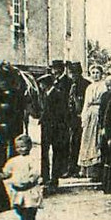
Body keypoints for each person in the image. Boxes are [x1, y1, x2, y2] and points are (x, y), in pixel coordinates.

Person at [0, 133, 43, 220]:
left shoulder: (32, 159)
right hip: (18, 190)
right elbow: (7, 172)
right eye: (18, 147)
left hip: (29, 189)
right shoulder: (14, 160)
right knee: (20, 210)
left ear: (29, 146)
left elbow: (35, 172)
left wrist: (30, 180)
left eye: (23, 146)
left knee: (30, 211)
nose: (20, 149)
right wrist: (1, 175)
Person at [39, 59, 70, 190]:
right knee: (44, 152)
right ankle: (45, 176)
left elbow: (61, 112)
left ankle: (54, 178)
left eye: (41, 84)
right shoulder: (46, 94)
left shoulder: (57, 94)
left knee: (56, 152)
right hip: (46, 127)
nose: (40, 87)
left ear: (46, 84)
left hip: (56, 128)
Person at [78, 64, 107, 181]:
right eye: (93, 73)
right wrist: (84, 117)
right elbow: (86, 103)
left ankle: (99, 171)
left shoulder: (104, 86)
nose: (95, 75)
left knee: (98, 141)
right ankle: (90, 171)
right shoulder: (89, 88)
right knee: (88, 141)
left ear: (101, 74)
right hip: (90, 115)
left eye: (97, 72)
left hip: (99, 113)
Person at [66, 62, 90, 177]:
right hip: (72, 119)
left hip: (82, 117)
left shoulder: (86, 85)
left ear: (80, 73)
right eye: (72, 73)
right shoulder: (70, 84)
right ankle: (72, 168)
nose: (73, 76)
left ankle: (81, 169)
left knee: (81, 142)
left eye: (75, 73)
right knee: (72, 143)